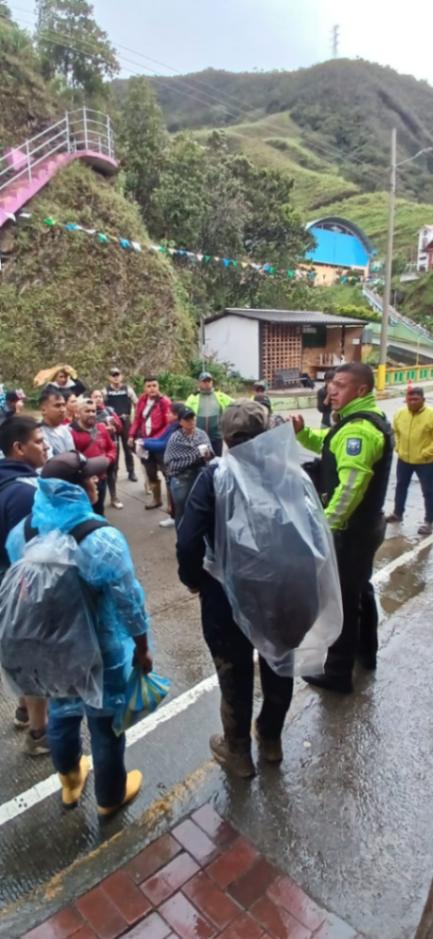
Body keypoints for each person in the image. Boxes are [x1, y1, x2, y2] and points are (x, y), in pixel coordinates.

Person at [6, 451, 152, 814]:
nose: (97, 481)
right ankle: (110, 796)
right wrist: (142, 646)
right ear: (73, 490)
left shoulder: (21, 531)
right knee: (104, 726)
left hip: (49, 647)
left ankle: (70, 781)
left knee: (62, 708)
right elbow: (129, 601)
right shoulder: (100, 538)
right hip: (100, 651)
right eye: (89, 478)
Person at [177, 400, 293, 778]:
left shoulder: (213, 477)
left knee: (234, 670)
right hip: (278, 590)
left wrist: (193, 578)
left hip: (224, 595)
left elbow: (189, 539)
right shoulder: (289, 470)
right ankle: (271, 739)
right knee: (279, 663)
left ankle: (238, 752)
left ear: (225, 437)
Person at [292, 363, 393, 693]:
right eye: (330, 384)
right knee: (361, 590)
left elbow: (349, 488)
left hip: (351, 532)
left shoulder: (358, 431)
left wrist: (326, 527)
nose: (330, 390)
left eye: (339, 385)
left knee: (344, 601)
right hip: (366, 526)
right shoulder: (358, 422)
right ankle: (367, 653)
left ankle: (337, 673)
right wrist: (303, 433)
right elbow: (327, 441)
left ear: (360, 390)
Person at [0, 416, 49, 755]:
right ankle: (39, 734)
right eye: (38, 441)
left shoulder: (6, 481)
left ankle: (21, 708)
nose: (45, 446)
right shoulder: (22, 493)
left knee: (13, 649)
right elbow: (30, 557)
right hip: (17, 586)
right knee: (34, 657)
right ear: (19, 448)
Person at [386, 386, 433, 535]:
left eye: (416, 399)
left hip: (425, 462)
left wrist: (426, 452)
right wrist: (398, 447)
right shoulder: (400, 414)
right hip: (404, 459)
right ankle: (397, 513)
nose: (412, 402)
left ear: (423, 400)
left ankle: (429, 521)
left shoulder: (431, 415)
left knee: (428, 492)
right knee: (400, 487)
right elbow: (396, 432)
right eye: (409, 399)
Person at [164, 407, 213, 527]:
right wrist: (196, 456)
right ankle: (182, 538)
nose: (191, 421)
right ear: (180, 422)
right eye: (187, 419)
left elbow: (211, 453)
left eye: (192, 418)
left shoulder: (201, 434)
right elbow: (169, 461)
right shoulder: (175, 438)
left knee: (201, 508)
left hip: (200, 476)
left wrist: (207, 455)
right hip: (181, 479)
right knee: (182, 511)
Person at [128, 378, 172, 509]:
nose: (152, 388)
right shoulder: (142, 400)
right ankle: (156, 499)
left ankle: (172, 505)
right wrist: (131, 435)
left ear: (158, 387)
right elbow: (137, 419)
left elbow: (168, 425)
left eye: (154, 385)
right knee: (150, 472)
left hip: (160, 443)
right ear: (144, 388)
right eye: (149, 386)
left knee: (167, 473)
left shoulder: (164, 402)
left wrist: (156, 440)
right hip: (145, 443)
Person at [70, 399, 117, 515]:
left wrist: (108, 459)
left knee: (99, 509)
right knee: (85, 513)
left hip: (101, 478)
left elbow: (112, 448)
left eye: (93, 411)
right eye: (87, 411)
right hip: (82, 482)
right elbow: (71, 459)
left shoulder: (101, 428)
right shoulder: (71, 433)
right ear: (78, 413)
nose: (91, 414)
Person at [144, 401, 185, 529]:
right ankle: (174, 516)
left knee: (177, 494)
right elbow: (160, 439)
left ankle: (177, 518)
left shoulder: (177, 429)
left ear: (176, 415)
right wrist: (145, 440)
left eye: (169, 413)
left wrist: (144, 444)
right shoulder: (172, 426)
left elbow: (163, 445)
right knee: (173, 492)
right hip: (172, 466)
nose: (166, 414)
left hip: (178, 468)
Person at [185, 372, 233, 457]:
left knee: (218, 461)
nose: (207, 383)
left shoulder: (221, 396)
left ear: (212, 382)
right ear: (199, 383)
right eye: (204, 381)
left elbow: (236, 404)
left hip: (217, 437)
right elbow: (184, 413)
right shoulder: (193, 397)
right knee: (201, 461)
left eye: (209, 381)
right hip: (198, 438)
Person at [91, 390, 123, 510]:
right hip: (96, 447)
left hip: (111, 445)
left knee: (112, 472)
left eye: (100, 396)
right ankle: (96, 500)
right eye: (95, 397)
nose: (98, 399)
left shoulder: (109, 411)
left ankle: (114, 497)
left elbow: (119, 427)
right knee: (97, 474)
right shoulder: (88, 413)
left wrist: (115, 425)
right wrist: (102, 430)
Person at [104, 368, 138, 482]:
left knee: (128, 447)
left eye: (117, 374)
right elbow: (101, 406)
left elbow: (137, 403)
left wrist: (135, 419)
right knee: (114, 448)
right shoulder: (105, 391)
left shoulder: (128, 389)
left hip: (125, 421)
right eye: (113, 375)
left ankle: (131, 472)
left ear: (121, 376)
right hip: (112, 422)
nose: (116, 377)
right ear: (109, 377)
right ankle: (114, 473)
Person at [40, 390, 75, 458]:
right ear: (43, 410)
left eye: (64, 405)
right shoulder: (38, 433)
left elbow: (73, 455)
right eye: (57, 405)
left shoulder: (65, 430)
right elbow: (49, 461)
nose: (63, 410)